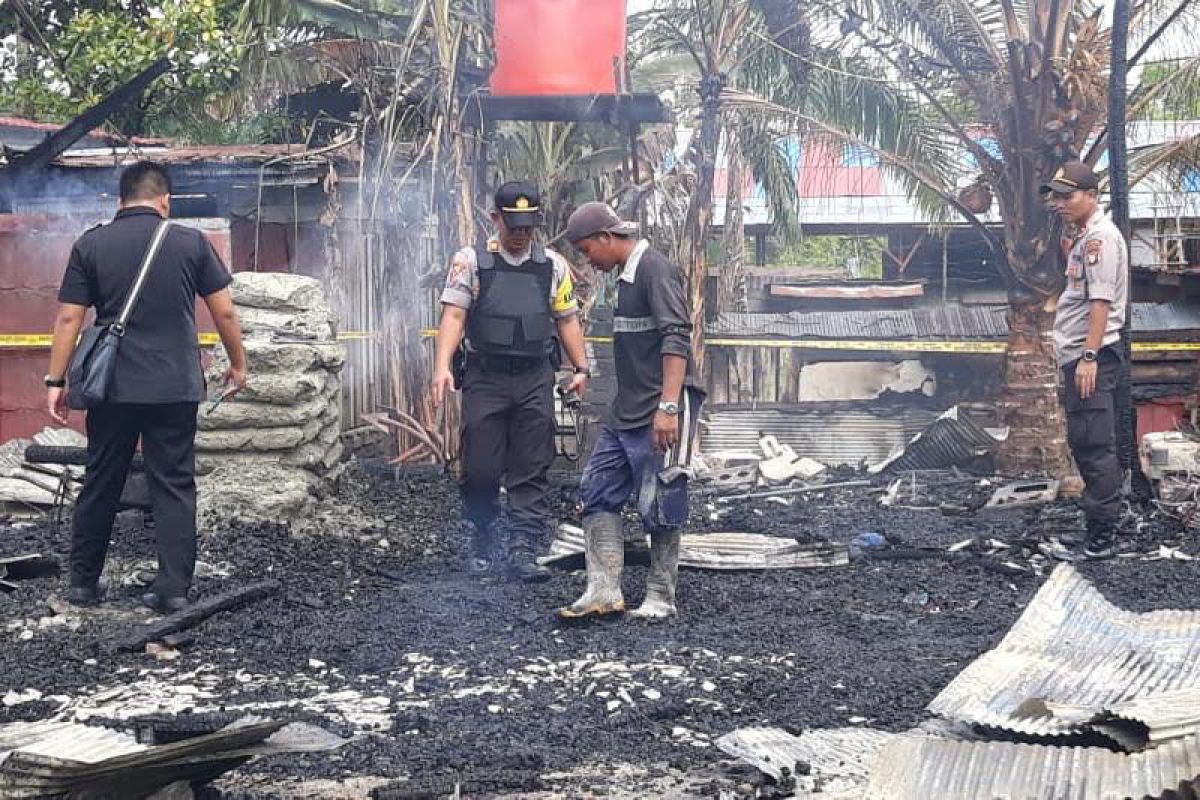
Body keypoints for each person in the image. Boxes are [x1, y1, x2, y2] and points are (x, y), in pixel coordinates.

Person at [46, 161, 247, 612]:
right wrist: (238, 364)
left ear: (120, 202)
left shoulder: (91, 244)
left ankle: (82, 584)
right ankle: (173, 588)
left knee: (101, 479)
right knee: (173, 483)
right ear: (165, 201)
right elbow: (226, 313)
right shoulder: (190, 242)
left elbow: (68, 319)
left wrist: (55, 380)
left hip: (111, 387)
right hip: (174, 386)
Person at [431, 181, 590, 582]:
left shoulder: (552, 265)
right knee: (481, 466)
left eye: (527, 227)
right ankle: (482, 537)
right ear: (495, 218)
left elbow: (567, 319)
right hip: (486, 376)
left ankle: (523, 546)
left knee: (531, 465)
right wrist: (442, 366)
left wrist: (581, 367)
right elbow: (453, 316)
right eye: (513, 226)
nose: (520, 234)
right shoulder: (470, 262)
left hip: (536, 376)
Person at [557, 202, 704, 620]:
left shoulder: (654, 270)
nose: (589, 260)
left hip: (662, 405)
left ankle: (660, 596)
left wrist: (669, 407)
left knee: (662, 497)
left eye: (588, 250)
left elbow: (676, 337)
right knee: (597, 487)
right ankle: (603, 590)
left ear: (607, 237)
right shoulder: (623, 280)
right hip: (626, 409)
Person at [1044, 160, 1129, 559]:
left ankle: (1102, 536)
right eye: (1056, 196)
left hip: (1090, 354)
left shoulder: (1100, 239)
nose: (1059, 202)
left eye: (1068, 195)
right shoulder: (1085, 238)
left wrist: (1089, 356)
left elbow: (1101, 302)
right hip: (1079, 353)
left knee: (1094, 442)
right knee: (1085, 438)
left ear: (1091, 196)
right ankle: (1099, 525)